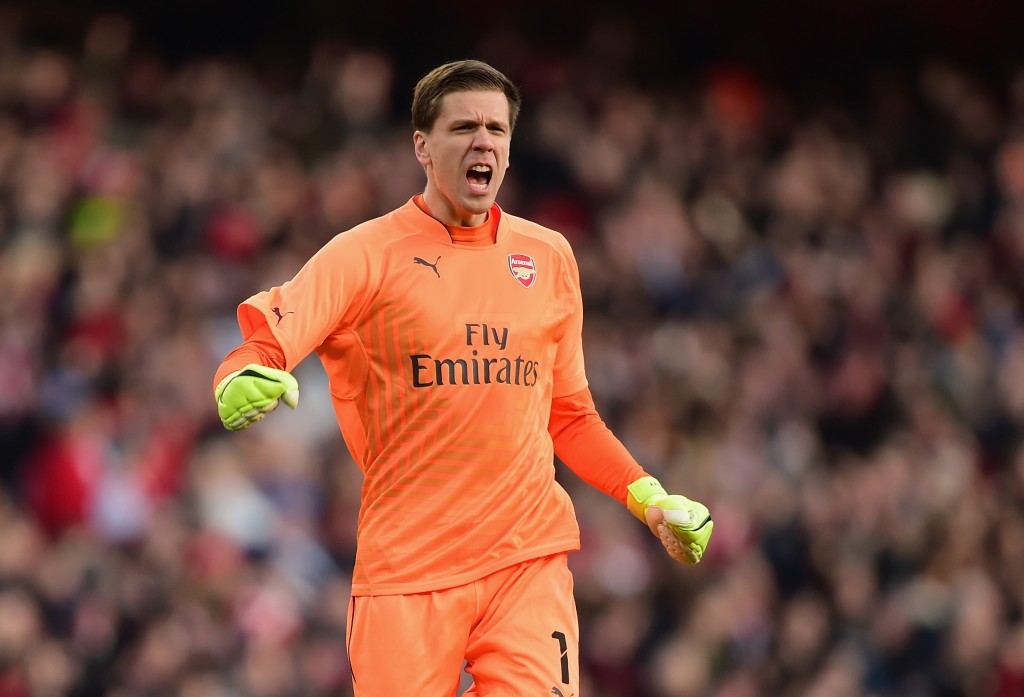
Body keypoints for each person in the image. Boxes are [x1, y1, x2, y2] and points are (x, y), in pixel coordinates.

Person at [212, 59, 713, 697]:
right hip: (408, 570)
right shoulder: (364, 254)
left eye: (497, 130)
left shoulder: (550, 256)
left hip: (525, 558)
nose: (484, 142)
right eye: (464, 128)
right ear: (422, 146)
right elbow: (263, 345)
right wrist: (241, 379)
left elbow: (570, 416)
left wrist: (647, 497)